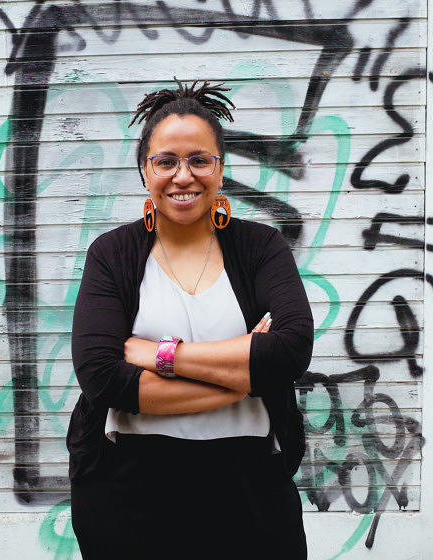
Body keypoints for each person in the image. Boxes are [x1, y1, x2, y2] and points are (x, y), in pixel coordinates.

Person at [67, 79, 314, 560]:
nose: (183, 176)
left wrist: (160, 355)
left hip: (250, 489)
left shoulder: (261, 247)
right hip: (129, 490)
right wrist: (242, 377)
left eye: (200, 160)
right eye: (166, 162)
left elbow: (290, 350)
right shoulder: (112, 254)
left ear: (220, 170)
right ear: (145, 171)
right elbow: (102, 377)